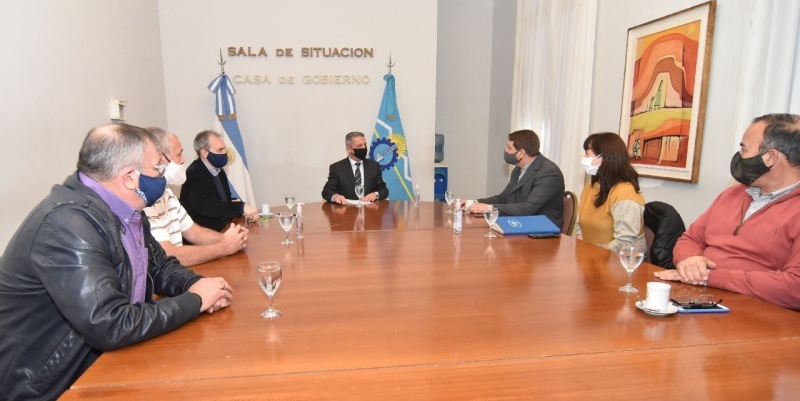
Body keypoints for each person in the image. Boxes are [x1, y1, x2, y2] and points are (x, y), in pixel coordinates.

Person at [0, 124, 234, 400]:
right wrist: (194, 301)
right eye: (157, 169)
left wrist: (200, 285)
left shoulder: (124, 208)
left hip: (106, 360)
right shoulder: (67, 226)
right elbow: (109, 324)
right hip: (51, 385)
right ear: (129, 178)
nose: (162, 176)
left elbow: (159, 266)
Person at [654, 113, 800, 310]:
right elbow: (691, 238)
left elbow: (794, 287)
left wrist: (711, 277)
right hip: (699, 297)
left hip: (755, 313)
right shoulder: (732, 194)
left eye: (744, 148)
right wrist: (689, 260)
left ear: (770, 157)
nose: (739, 155)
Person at [144, 127, 248, 266]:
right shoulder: (144, 201)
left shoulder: (167, 194)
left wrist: (231, 239)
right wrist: (222, 247)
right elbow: (167, 254)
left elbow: (194, 233)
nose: (183, 160)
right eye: (179, 155)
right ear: (160, 158)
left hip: (177, 273)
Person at [466, 129, 565, 227]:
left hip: (542, 231)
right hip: (520, 223)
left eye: (509, 148)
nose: (505, 150)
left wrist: (488, 208)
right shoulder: (518, 168)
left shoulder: (549, 173)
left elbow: (528, 209)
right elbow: (504, 198)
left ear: (521, 153)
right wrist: (473, 203)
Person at [575, 132, 646, 252]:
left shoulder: (625, 193)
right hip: (591, 258)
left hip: (620, 262)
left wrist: (592, 253)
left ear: (604, 157)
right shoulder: (590, 188)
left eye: (587, 154)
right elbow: (580, 226)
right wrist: (583, 249)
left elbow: (625, 242)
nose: (584, 158)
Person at [180, 130, 259, 232]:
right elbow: (206, 206)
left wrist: (233, 202)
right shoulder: (193, 173)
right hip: (203, 236)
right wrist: (241, 207)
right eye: (220, 150)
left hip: (224, 229)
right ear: (204, 153)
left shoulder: (219, 171)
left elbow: (222, 200)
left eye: (225, 149)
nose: (225, 153)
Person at [321, 131, 389, 204]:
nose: (364, 148)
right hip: (346, 211)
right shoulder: (337, 168)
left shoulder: (374, 166)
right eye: (359, 146)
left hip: (370, 211)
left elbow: (384, 190)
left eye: (365, 144)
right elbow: (327, 191)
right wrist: (335, 196)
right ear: (349, 148)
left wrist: (375, 194)